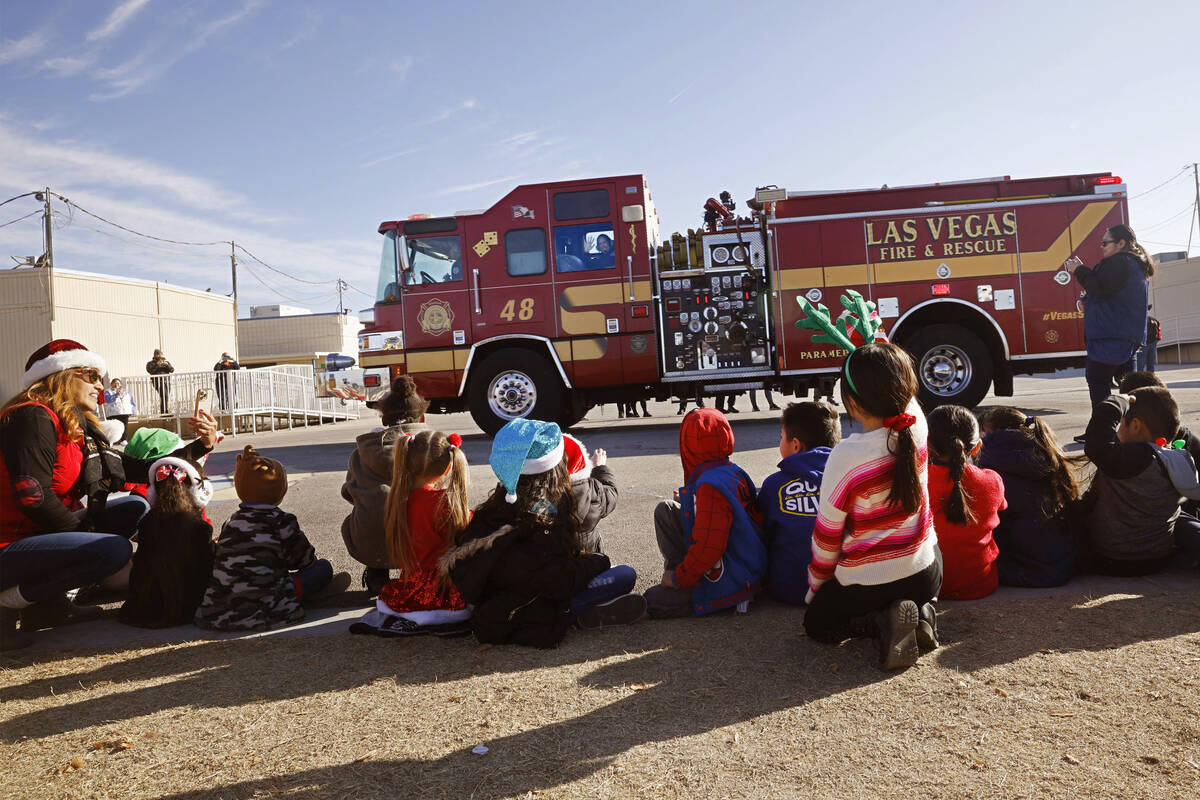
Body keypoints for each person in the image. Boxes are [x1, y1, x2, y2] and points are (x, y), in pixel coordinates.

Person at [0, 339, 218, 650]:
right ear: (61, 375)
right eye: (90, 375)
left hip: (37, 535)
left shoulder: (74, 422)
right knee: (112, 550)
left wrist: (201, 446)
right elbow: (32, 496)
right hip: (8, 543)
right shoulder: (31, 417)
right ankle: (7, 605)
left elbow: (133, 468)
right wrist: (87, 538)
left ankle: (46, 605)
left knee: (134, 507)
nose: (99, 385)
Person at [445, 419, 645, 647]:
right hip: (541, 603)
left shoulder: (497, 506)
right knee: (625, 575)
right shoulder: (577, 498)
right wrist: (598, 562)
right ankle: (578, 613)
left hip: (502, 599)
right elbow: (558, 580)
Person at [803, 342, 941, 670]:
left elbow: (826, 539)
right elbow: (906, 393)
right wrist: (874, 340)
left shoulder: (846, 457)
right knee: (930, 549)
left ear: (850, 402)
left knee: (817, 625)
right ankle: (922, 612)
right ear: (907, 386)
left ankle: (881, 621)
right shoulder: (918, 427)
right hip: (923, 573)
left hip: (865, 584)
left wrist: (816, 589)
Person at [195, 445, 350, 631]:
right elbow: (304, 560)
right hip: (269, 605)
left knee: (271, 575)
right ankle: (311, 593)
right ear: (280, 491)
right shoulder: (281, 521)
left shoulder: (231, 522)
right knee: (323, 568)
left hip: (223, 607)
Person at [642, 407, 767, 618]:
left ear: (689, 445)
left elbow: (709, 548)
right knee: (666, 510)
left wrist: (677, 579)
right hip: (747, 566)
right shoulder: (733, 470)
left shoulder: (709, 485)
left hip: (731, 582)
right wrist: (691, 502)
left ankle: (683, 580)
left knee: (651, 599)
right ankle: (682, 573)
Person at [352, 430, 473, 637]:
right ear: (448, 468)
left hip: (411, 587)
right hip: (444, 590)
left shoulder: (398, 499)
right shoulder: (444, 503)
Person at [1074, 386, 1196, 576]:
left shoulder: (1131, 456)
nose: (1118, 430)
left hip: (1111, 559)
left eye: (1122, 424)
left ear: (1136, 426)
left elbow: (1096, 443)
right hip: (1159, 559)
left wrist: (1115, 403)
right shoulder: (1177, 458)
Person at [341, 376, 430, 596]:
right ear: (422, 416)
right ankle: (414, 574)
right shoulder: (431, 449)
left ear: (384, 420)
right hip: (417, 542)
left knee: (366, 513)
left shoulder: (362, 451)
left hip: (369, 542)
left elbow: (348, 492)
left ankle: (376, 572)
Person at [978, 407, 1080, 588]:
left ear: (989, 433)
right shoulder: (1047, 452)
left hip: (1026, 567)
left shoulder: (989, 461)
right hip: (1062, 562)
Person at [1065, 224, 1153, 421]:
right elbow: (1113, 294)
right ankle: (1135, 428)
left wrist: (1079, 270)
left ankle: (1104, 429)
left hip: (1111, 335)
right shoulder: (1133, 264)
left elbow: (1100, 287)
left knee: (1098, 381)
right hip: (1125, 334)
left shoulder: (1119, 262)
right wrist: (1087, 301)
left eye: (1106, 242)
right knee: (1130, 388)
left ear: (1121, 243)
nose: (1102, 246)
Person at [757, 402, 839, 606]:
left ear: (795, 445)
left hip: (788, 588)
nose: (779, 441)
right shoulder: (847, 479)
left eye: (781, 436)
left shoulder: (773, 485)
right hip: (842, 588)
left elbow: (762, 535)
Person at [118, 456, 215, 628]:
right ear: (200, 492)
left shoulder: (146, 524)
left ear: (153, 492)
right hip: (189, 609)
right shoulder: (200, 528)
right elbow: (206, 573)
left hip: (143, 610)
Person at [926, 405, 1006, 600]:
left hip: (931, 585)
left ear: (926, 445)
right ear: (977, 446)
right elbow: (1001, 508)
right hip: (981, 583)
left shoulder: (918, 483)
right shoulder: (992, 480)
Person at [562, 433, 618, 553]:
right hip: (585, 563)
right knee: (626, 572)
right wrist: (599, 468)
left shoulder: (519, 497)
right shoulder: (586, 491)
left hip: (540, 568)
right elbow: (610, 495)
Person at [102, 378, 137, 445]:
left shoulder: (126, 392)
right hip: (112, 413)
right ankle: (111, 440)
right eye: (114, 383)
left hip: (124, 412)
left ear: (121, 384)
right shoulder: (108, 392)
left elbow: (131, 401)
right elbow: (107, 400)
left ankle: (124, 440)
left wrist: (133, 410)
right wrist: (116, 395)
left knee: (124, 426)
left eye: (118, 383)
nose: (116, 384)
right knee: (112, 426)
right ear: (111, 384)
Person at [146, 349, 174, 415]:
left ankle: (164, 412)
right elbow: (150, 371)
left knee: (166, 396)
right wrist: (157, 365)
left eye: (160, 354)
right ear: (154, 355)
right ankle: (164, 412)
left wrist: (167, 365)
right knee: (164, 395)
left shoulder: (166, 362)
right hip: (157, 382)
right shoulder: (151, 363)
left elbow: (172, 370)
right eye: (157, 354)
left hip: (166, 381)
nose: (159, 355)